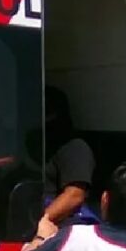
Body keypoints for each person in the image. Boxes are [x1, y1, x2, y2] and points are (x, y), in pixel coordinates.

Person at [41, 86, 99, 226]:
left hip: (59, 229)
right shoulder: (39, 146)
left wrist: (39, 224)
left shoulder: (74, 147)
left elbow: (74, 196)